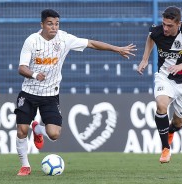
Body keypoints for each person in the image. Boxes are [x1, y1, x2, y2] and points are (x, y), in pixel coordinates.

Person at [15, 9, 136, 176]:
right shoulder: (32, 41)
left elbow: (92, 44)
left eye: (57, 23)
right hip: (29, 93)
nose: (54, 27)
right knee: (21, 130)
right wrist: (35, 75)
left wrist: (117, 49)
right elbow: (21, 68)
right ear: (42, 24)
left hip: (50, 95)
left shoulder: (65, 39)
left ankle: (38, 130)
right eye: (50, 23)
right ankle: (25, 165)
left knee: (54, 134)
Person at [137, 6, 182, 164]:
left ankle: (172, 131)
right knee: (161, 105)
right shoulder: (158, 30)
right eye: (164, 24)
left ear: (179, 23)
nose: (165, 28)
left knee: (178, 122)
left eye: (169, 25)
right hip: (164, 77)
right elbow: (150, 37)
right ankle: (165, 148)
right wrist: (145, 59)